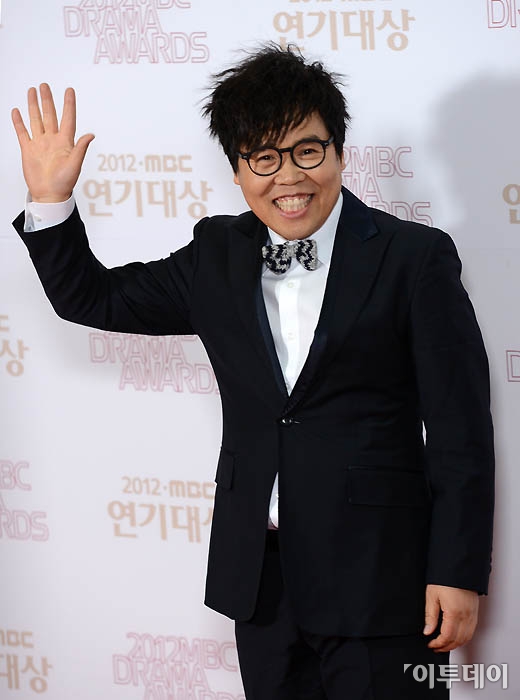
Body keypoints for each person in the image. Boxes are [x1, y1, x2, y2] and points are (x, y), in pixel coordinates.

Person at [12, 44, 494, 700]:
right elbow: (92, 299)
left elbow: (460, 428)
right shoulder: (217, 254)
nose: (288, 177)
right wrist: (50, 201)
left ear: (339, 152)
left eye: (307, 151)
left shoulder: (414, 257)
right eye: (263, 157)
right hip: (261, 586)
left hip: (381, 577)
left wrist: (457, 570)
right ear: (237, 170)